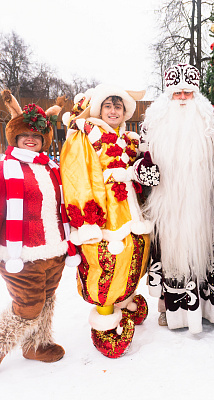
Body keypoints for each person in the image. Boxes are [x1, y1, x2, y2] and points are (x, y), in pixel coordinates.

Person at [141, 63, 214, 333]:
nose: (183, 98)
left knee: (208, 256)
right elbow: (142, 159)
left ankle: (211, 312)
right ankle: (173, 310)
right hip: (168, 206)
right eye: (178, 94)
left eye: (188, 92)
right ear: (169, 95)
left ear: (197, 94)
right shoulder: (152, 124)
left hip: (206, 205)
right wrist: (144, 172)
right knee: (172, 256)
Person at [60, 84, 159, 358]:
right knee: (106, 263)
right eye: (108, 106)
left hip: (131, 211)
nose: (113, 110)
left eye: (117, 106)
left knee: (134, 254)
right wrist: (87, 219)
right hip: (102, 214)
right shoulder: (85, 135)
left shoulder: (129, 139)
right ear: (98, 109)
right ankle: (105, 319)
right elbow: (77, 176)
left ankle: (125, 299)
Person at [0, 90, 79, 366]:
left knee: (46, 300)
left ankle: (36, 344)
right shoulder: (5, 168)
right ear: (15, 137)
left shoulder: (51, 168)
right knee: (28, 306)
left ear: (44, 139)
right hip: (20, 253)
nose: (31, 139)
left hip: (55, 249)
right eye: (25, 135)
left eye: (36, 135)